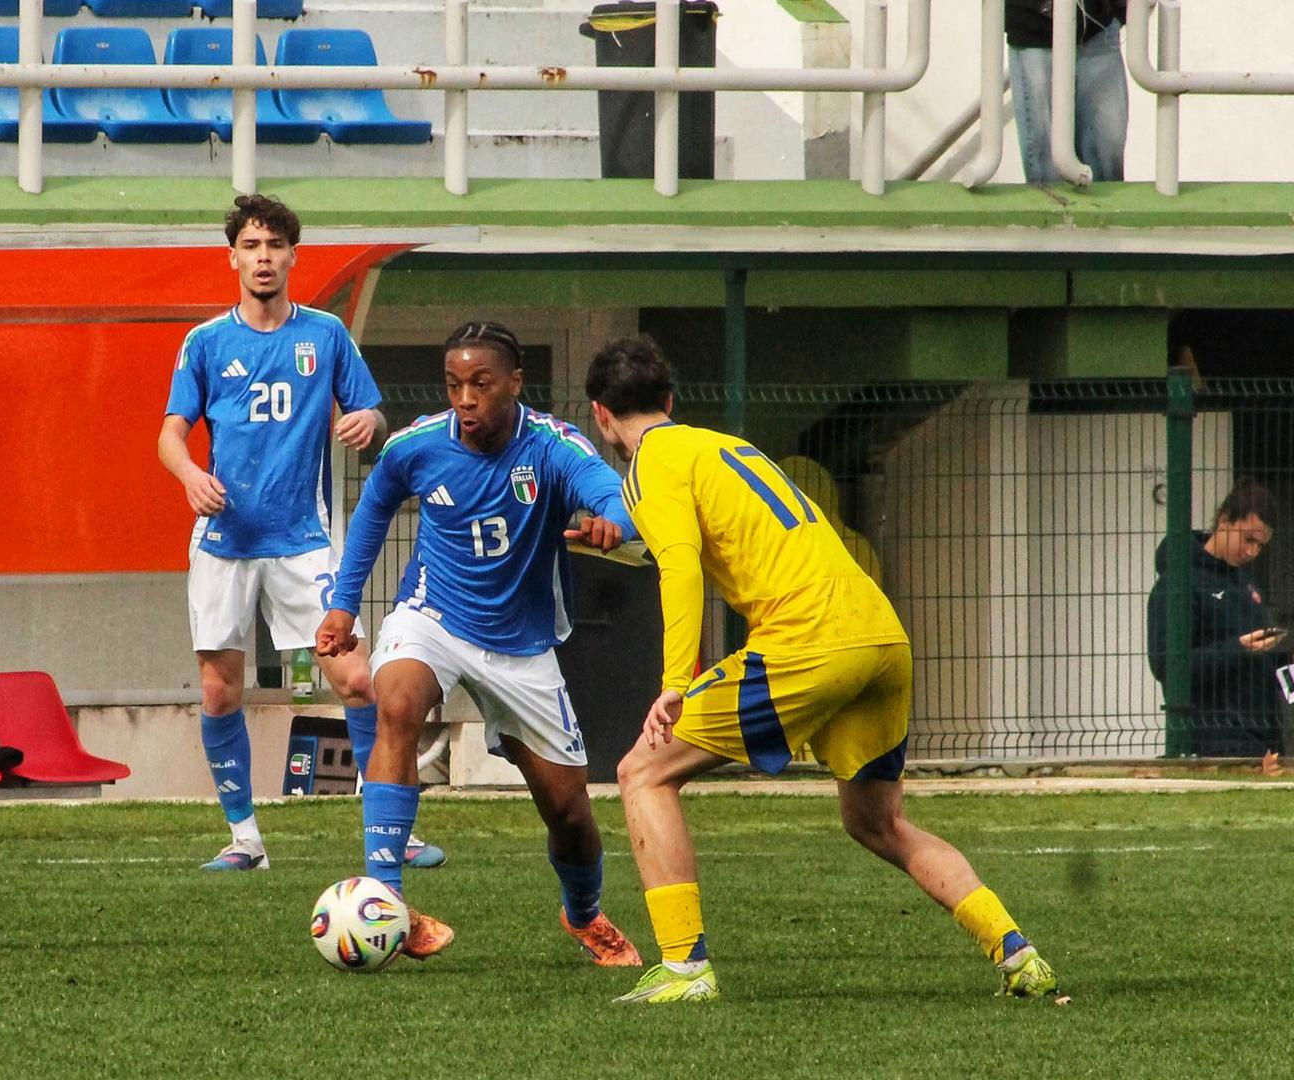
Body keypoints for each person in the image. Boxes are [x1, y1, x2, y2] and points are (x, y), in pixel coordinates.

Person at [586, 335, 1059, 1004]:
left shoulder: (649, 467)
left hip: (809, 638)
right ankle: (1017, 952)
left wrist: (675, 683)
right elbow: (712, 538)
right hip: (879, 633)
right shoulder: (724, 447)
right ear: (669, 399)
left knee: (643, 771)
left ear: (600, 414)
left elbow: (681, 566)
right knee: (877, 822)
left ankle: (685, 968)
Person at [316, 321, 643, 966]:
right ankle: (388, 900)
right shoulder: (417, 446)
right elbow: (375, 506)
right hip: (432, 617)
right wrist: (343, 604)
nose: (465, 399)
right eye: (454, 385)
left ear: (514, 384)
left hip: (522, 646)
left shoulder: (551, 446)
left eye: (480, 384)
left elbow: (611, 492)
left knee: (569, 812)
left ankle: (583, 914)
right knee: (396, 704)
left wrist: (614, 522)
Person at [159, 194, 444, 873]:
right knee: (220, 692)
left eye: (274, 246)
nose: (263, 258)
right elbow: (170, 434)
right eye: (251, 246)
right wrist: (190, 474)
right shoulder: (205, 342)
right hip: (224, 542)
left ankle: (392, 827)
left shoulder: (326, 335)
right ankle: (244, 840)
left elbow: (372, 413)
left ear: (292, 256)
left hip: (304, 541)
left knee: (358, 680)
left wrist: (368, 422)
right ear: (232, 258)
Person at [1147, 480, 1287, 758]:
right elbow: (1167, 667)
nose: (1252, 552)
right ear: (1224, 520)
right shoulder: (1178, 584)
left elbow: (1263, 663)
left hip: (1263, 743)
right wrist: (1238, 649)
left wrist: (1288, 664)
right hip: (1211, 743)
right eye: (1248, 540)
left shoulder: (1247, 585)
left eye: (1260, 546)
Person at [1006, 0, 1127, 184]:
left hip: (1099, 26)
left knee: (1107, 156)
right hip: (1033, 30)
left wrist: (1119, 10)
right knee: (1047, 167)